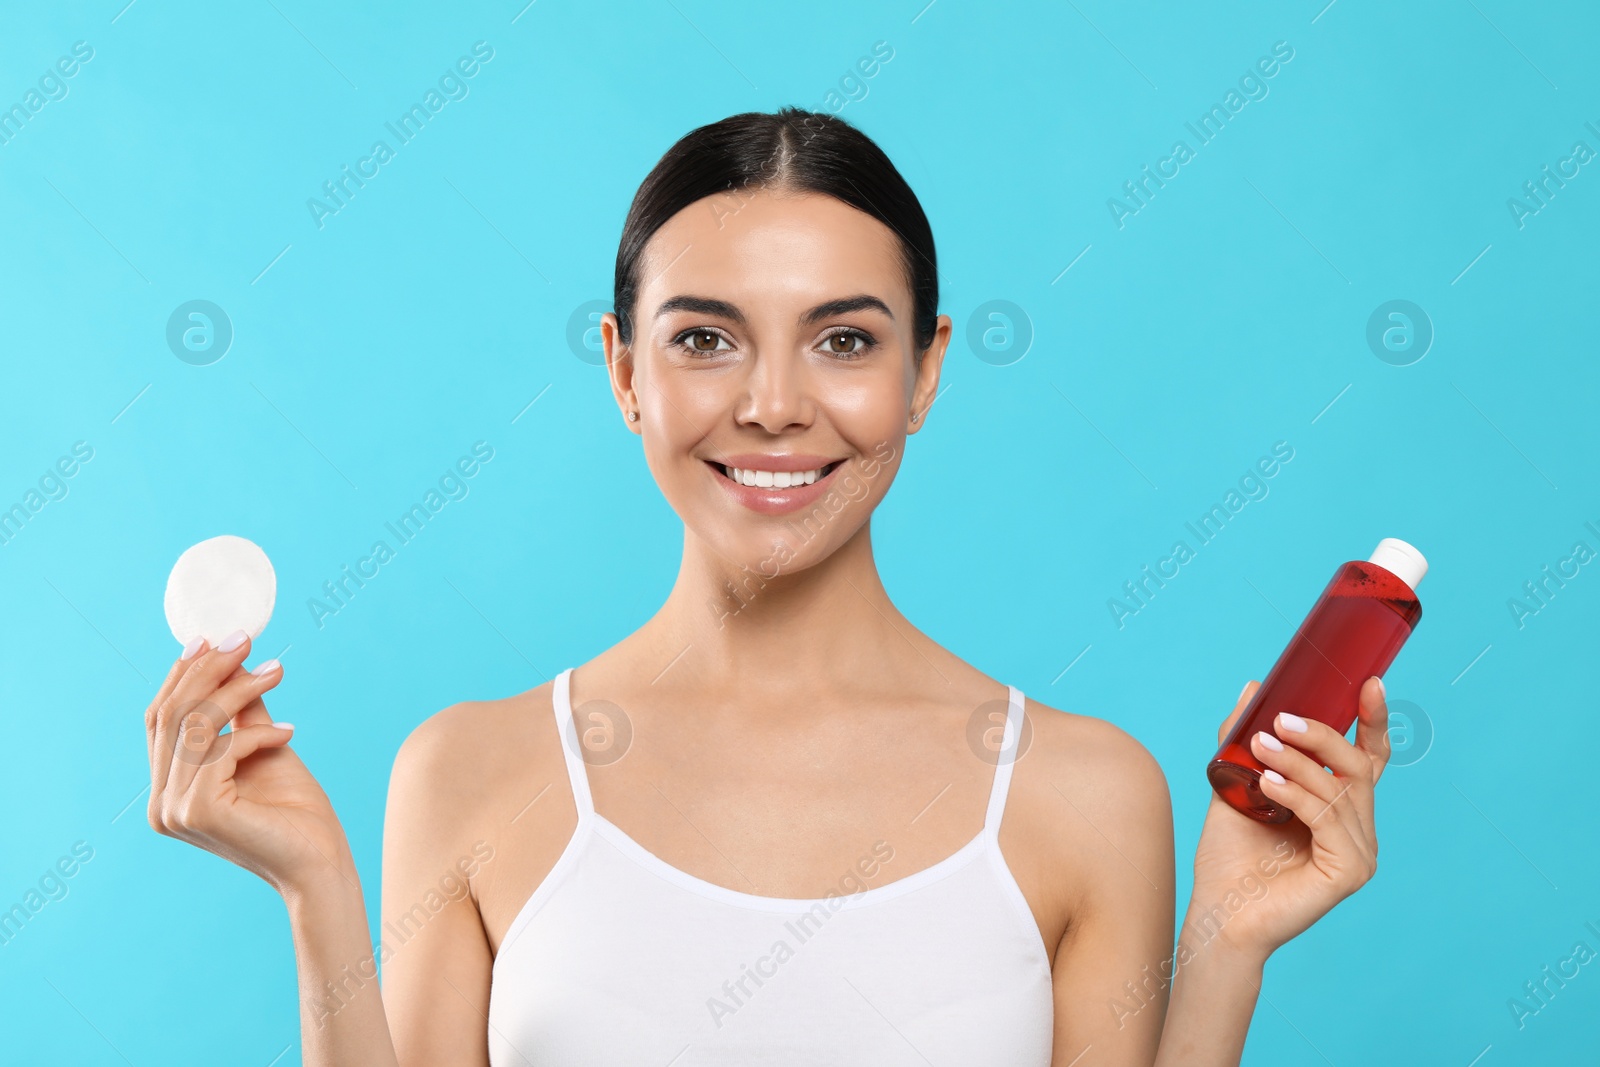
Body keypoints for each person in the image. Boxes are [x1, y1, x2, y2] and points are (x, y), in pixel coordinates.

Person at [143, 107, 1390, 1066]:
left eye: (844, 339)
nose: (775, 404)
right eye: (704, 338)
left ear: (926, 371)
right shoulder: (466, 771)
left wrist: (1225, 941)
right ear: (624, 369)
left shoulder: (1088, 791)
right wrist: (312, 887)